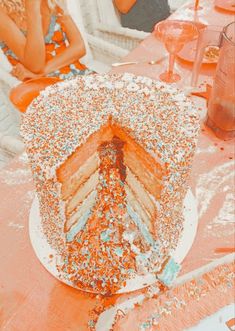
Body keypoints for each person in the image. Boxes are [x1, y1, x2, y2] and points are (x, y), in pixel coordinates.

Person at [0, 0, 91, 81]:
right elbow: (35, 66)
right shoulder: (2, 11)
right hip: (39, 85)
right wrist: (32, 8)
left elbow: (79, 47)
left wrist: (41, 73)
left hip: (74, 72)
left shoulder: (52, 2)